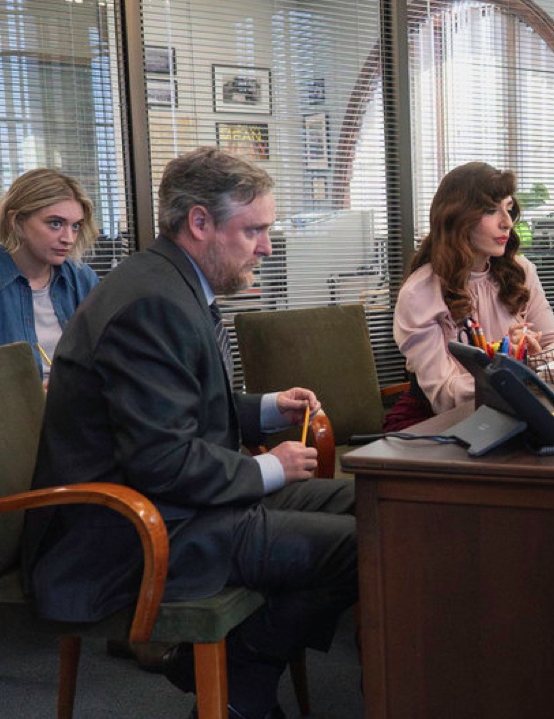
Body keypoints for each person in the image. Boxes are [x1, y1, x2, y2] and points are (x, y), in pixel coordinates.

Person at [21, 147, 357, 719]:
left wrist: (268, 409)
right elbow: (162, 459)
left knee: (376, 506)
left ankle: (240, 673)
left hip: (183, 504)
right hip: (135, 531)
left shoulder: (172, 283)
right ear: (200, 222)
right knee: (365, 545)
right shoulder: (152, 303)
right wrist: (270, 467)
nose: (266, 247)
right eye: (253, 230)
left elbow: (180, 411)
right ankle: (245, 672)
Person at [387, 161, 554, 430]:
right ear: (458, 218)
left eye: (508, 208)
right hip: (433, 423)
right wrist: (514, 367)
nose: (507, 223)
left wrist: (528, 361)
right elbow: (446, 396)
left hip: (512, 411)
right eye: (490, 210)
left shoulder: (521, 271)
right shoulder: (420, 293)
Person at [0, 168, 100, 382]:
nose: (69, 238)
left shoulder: (83, 280)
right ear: (16, 221)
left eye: (75, 226)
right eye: (55, 223)